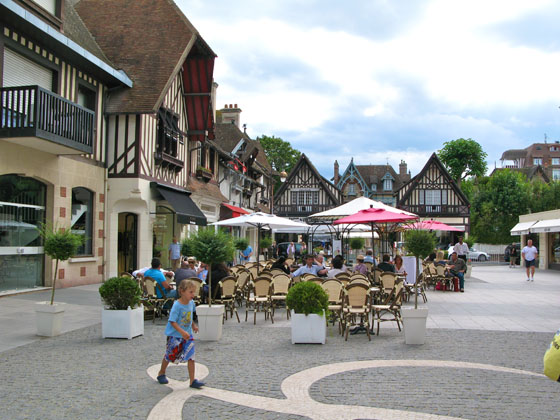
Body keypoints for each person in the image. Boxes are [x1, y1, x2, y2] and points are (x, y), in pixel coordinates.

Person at [156, 280, 204, 388]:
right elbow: (172, 321)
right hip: (175, 336)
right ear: (182, 291)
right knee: (170, 355)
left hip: (187, 335)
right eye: (190, 292)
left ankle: (192, 380)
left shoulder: (191, 303)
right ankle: (161, 372)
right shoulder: (177, 305)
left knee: (191, 356)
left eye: (194, 292)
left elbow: (189, 316)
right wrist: (182, 332)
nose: (193, 295)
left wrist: (193, 326)